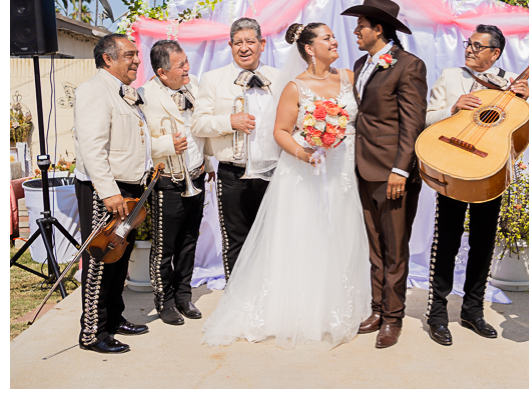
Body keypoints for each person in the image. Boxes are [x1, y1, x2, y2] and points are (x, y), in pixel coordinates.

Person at [202, 22, 371, 349]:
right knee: (304, 236)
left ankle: (338, 304)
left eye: (334, 37)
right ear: (309, 48)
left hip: (344, 171)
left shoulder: (349, 77)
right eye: (328, 38)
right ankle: (301, 308)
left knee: (342, 234)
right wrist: (304, 153)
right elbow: (280, 131)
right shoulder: (294, 86)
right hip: (308, 169)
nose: (335, 41)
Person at [424, 25, 529, 346]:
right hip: (454, 166)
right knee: (447, 240)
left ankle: (472, 309)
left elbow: (523, 133)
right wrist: (452, 108)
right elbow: (426, 118)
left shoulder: (514, 84)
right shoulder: (450, 76)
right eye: (468, 44)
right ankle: (437, 313)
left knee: (484, 242)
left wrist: (524, 106)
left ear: (495, 53)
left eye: (477, 46)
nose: (469, 50)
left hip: (490, 171)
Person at [340, 0, 428, 349]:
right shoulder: (362, 63)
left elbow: (413, 123)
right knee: (375, 246)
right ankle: (377, 308)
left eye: (360, 26)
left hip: (394, 173)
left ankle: (393, 318)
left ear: (378, 29)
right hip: (363, 168)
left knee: (395, 249)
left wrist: (400, 170)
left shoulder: (409, 65)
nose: (356, 31)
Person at [72, 34, 152, 354]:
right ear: (108, 58)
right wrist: (109, 192)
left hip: (129, 188)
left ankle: (114, 319)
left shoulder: (125, 93)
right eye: (130, 55)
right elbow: (92, 149)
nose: (136, 60)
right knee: (100, 261)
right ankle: (92, 332)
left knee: (119, 260)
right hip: (104, 189)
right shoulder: (92, 91)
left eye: (136, 54)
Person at [192, 18, 281, 280]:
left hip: (274, 172)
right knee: (235, 240)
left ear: (262, 45)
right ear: (230, 46)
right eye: (238, 43)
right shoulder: (212, 79)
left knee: (272, 237)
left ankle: (268, 298)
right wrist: (228, 122)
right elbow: (198, 124)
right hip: (233, 173)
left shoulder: (279, 78)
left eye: (250, 42)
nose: (244, 48)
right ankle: (236, 301)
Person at [139, 40, 212, 326]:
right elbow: (139, 140)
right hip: (168, 180)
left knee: (189, 242)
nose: (188, 69)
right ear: (162, 71)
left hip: (195, 174)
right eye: (181, 65)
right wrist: (168, 143)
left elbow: (202, 125)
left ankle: (184, 295)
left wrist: (209, 159)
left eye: (186, 62)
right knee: (165, 246)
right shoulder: (144, 94)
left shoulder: (192, 84)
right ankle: (164, 300)